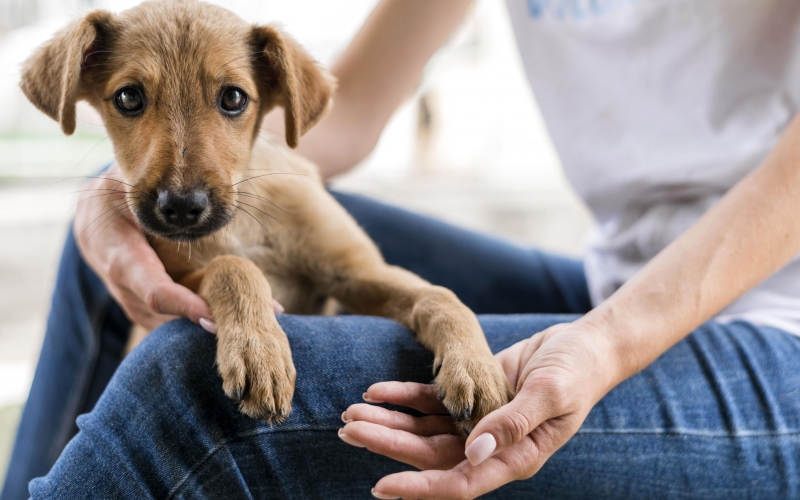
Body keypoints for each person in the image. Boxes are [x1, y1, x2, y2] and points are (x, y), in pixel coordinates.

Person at [4, 0, 800, 498]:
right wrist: (121, 189)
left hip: (781, 336)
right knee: (108, 243)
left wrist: (609, 342)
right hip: (618, 277)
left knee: (187, 386)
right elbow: (338, 120)